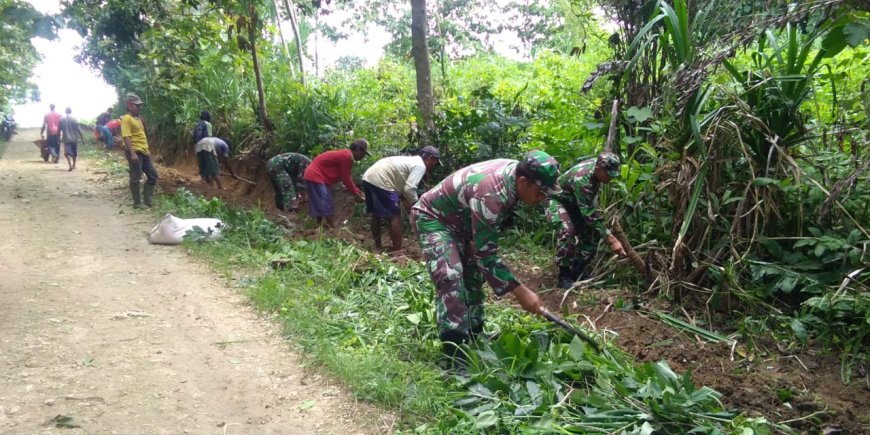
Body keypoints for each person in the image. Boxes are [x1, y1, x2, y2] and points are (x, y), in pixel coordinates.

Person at [410, 150, 562, 372]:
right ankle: (454, 354)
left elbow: (483, 251)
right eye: (540, 192)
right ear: (523, 181)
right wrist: (522, 293)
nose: (542, 199)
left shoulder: (515, 174)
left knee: (473, 274)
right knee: (451, 274)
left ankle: (475, 332)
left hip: (462, 220)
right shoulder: (491, 193)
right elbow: (487, 256)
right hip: (433, 218)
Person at [547, 152, 626, 289]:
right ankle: (564, 275)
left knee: (593, 232)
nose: (610, 178)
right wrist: (611, 239)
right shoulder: (582, 179)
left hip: (575, 203)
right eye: (607, 174)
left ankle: (577, 271)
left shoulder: (598, 168)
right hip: (557, 200)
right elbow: (588, 214)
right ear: (598, 169)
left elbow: (588, 210)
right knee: (567, 231)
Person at [361, 146, 441, 253]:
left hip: (368, 177)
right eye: (435, 163)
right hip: (382, 180)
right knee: (395, 217)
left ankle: (378, 247)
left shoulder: (409, 160)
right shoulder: (420, 166)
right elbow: (410, 188)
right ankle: (397, 253)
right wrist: (417, 205)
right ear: (432, 159)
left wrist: (402, 197)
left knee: (376, 214)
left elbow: (399, 179)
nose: (433, 166)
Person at [302, 139, 370, 228]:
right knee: (327, 203)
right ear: (357, 150)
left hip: (313, 176)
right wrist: (356, 194)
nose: (363, 156)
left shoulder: (345, 155)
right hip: (315, 176)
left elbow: (347, 177)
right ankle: (331, 230)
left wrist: (358, 192)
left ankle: (319, 225)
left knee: (321, 202)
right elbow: (346, 178)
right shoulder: (346, 156)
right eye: (364, 153)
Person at [121, 93, 158, 209]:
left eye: (140, 105)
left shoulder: (138, 119)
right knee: (135, 178)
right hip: (135, 151)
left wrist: (147, 150)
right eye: (137, 106)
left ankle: (147, 200)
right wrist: (132, 153)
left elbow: (142, 135)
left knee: (153, 175)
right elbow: (126, 137)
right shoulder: (126, 119)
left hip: (144, 151)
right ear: (130, 105)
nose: (139, 108)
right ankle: (137, 203)